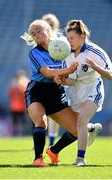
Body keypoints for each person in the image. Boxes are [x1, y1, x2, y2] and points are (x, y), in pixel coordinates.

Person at [54, 19, 112, 166]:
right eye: (68, 39)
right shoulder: (67, 54)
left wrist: (96, 67)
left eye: (72, 38)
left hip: (93, 89)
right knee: (78, 125)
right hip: (76, 92)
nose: (70, 42)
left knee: (81, 122)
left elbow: (109, 76)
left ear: (82, 37)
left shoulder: (95, 52)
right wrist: (61, 80)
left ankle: (80, 159)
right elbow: (72, 81)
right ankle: (92, 128)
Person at [21, 19, 80, 167]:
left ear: (48, 30)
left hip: (55, 92)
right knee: (41, 122)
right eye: (34, 33)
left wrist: (65, 76)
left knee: (78, 130)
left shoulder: (63, 47)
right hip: (37, 91)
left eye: (39, 30)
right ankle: (38, 159)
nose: (37, 34)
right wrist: (66, 71)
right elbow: (46, 72)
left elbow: (68, 69)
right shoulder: (34, 53)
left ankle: (54, 150)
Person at [41, 13, 61, 146]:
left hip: (55, 79)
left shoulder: (58, 40)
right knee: (48, 113)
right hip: (48, 78)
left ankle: (51, 141)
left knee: (53, 114)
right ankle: (47, 140)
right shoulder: (42, 41)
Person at [8, 69, 30, 136]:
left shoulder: (13, 84)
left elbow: (10, 95)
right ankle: (20, 134)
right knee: (21, 121)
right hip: (21, 106)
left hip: (15, 106)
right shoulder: (22, 84)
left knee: (17, 122)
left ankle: (18, 134)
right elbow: (24, 94)